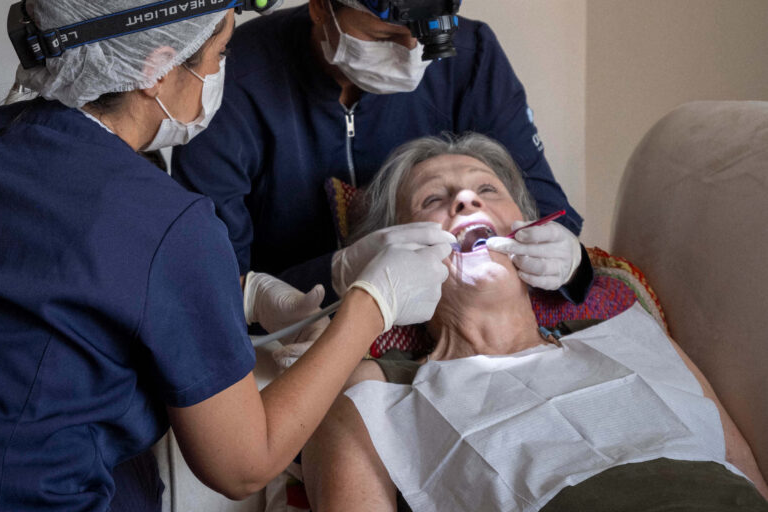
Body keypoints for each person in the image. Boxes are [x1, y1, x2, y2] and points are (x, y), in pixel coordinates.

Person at [0, 0, 453, 512]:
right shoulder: (168, 221)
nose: (218, 76)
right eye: (217, 54)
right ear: (156, 68)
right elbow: (242, 466)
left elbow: (51, 278)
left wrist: (236, 291)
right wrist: (374, 303)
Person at [173, 0, 592, 310]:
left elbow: (540, 202)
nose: (412, 57)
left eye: (429, 39)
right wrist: (332, 278)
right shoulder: (230, 78)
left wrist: (566, 257)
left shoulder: (472, 56)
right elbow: (210, 280)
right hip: (295, 335)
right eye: (386, 37)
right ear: (321, 3)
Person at [301, 133, 768, 512]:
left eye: (487, 190)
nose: (465, 199)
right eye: (432, 200)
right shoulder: (369, 390)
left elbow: (744, 469)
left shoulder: (627, 326)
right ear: (394, 249)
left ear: (528, 227)